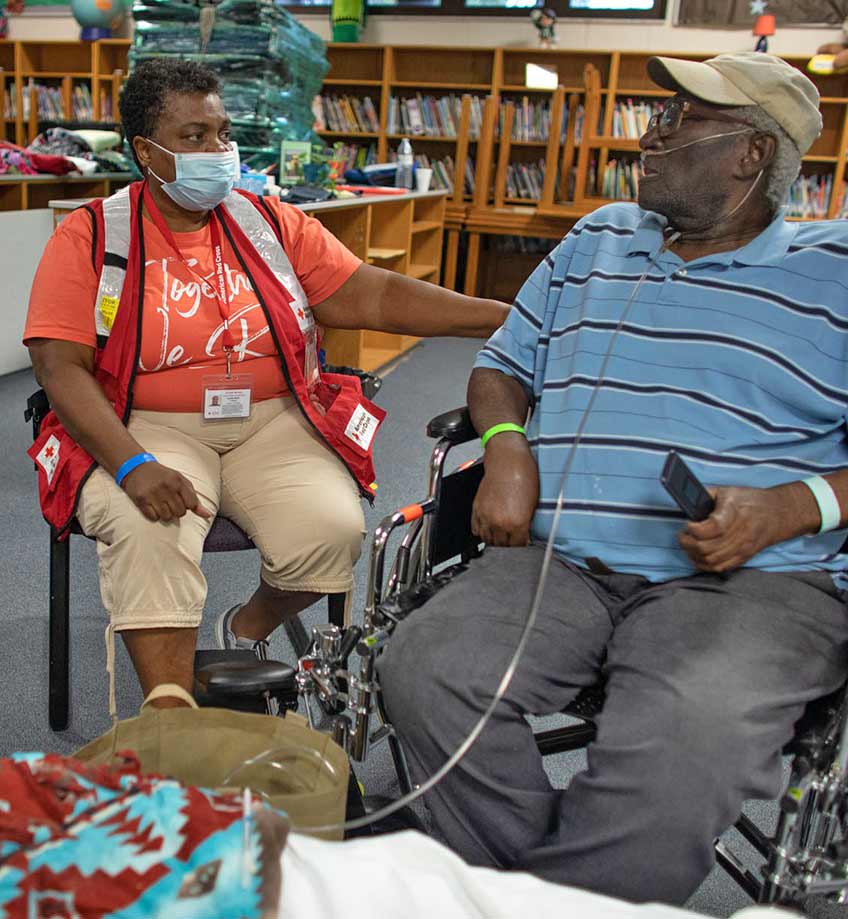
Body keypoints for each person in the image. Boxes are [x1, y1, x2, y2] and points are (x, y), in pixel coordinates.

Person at [377, 52, 848, 904]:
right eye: (659, 113)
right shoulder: (596, 241)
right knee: (423, 669)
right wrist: (508, 446)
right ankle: (559, 894)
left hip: (752, 582)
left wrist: (791, 505)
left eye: (683, 120)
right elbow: (500, 366)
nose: (651, 133)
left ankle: (527, 895)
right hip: (562, 563)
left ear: (751, 156)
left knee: (682, 739)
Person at [24, 59, 508, 709]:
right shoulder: (91, 237)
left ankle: (246, 626)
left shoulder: (268, 222)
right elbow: (60, 368)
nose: (218, 151)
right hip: (144, 424)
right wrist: (131, 462)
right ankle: (173, 716)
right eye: (194, 137)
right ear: (146, 151)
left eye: (222, 134)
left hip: (274, 419)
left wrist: (505, 316)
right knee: (149, 529)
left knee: (332, 530)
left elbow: (378, 294)